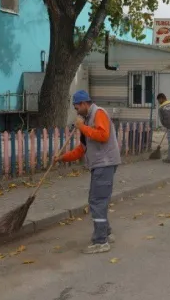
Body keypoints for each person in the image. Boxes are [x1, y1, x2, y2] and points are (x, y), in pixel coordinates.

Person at [58, 90, 121, 254]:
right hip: (100, 164)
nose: (76, 111)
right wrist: (62, 158)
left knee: (97, 201)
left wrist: (82, 127)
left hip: (105, 163)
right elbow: (82, 149)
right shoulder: (87, 119)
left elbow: (103, 135)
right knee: (99, 200)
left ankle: (101, 242)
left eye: (76, 107)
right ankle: (106, 233)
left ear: (84, 104)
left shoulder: (98, 113)